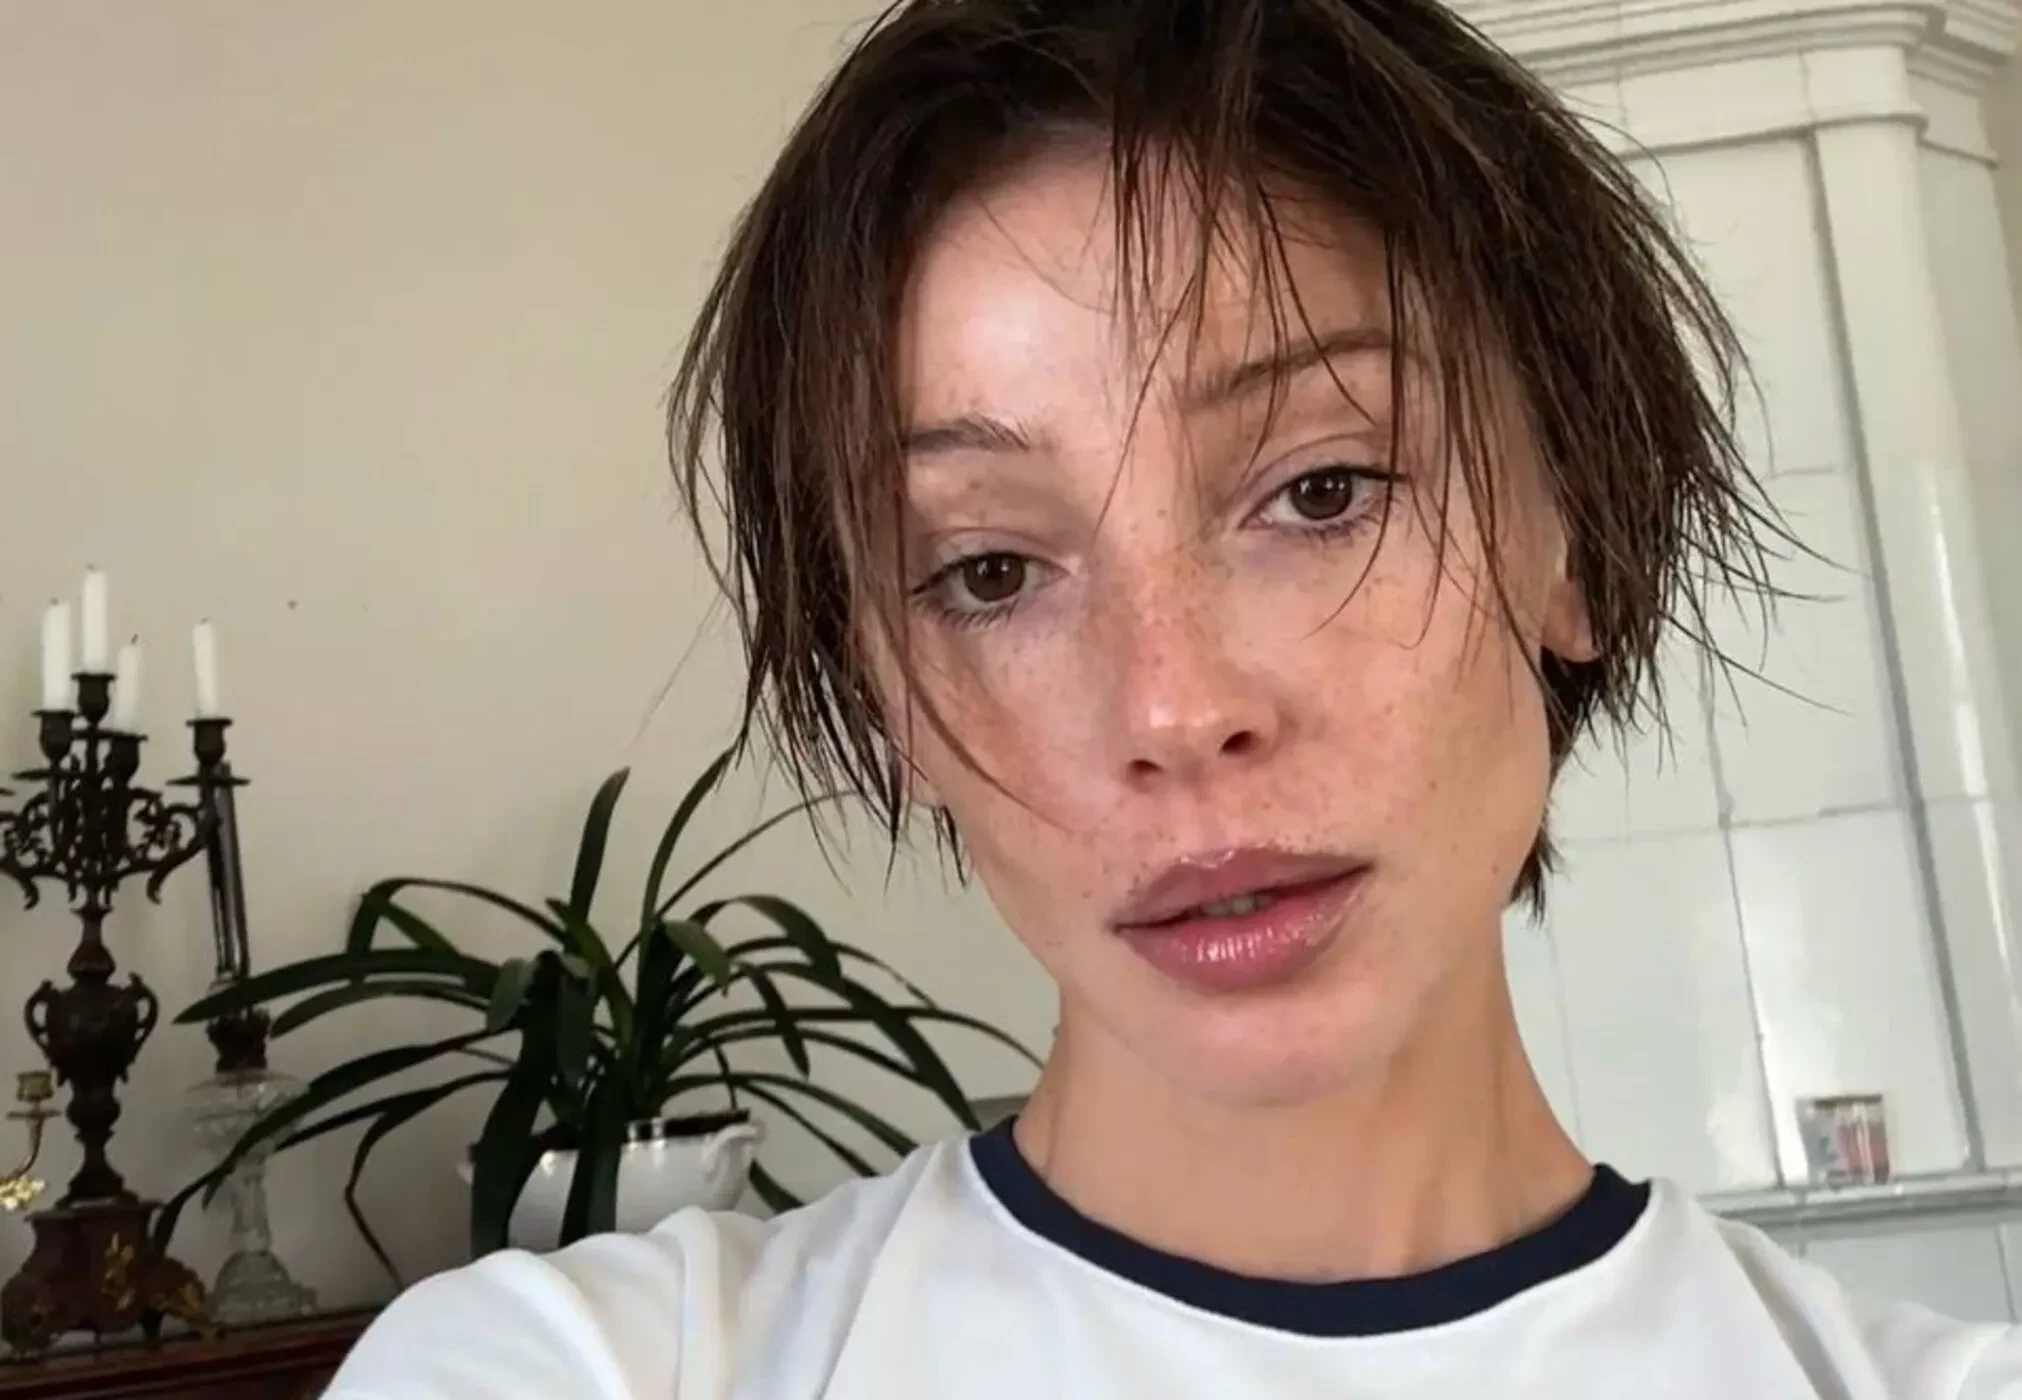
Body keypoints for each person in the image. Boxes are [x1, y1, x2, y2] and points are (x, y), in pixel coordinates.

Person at [328, 0, 2022, 1395]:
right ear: (884, 691)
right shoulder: (585, 1372)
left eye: (1321, 490)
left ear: (1564, 528)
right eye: (988, 571)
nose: (1172, 704)